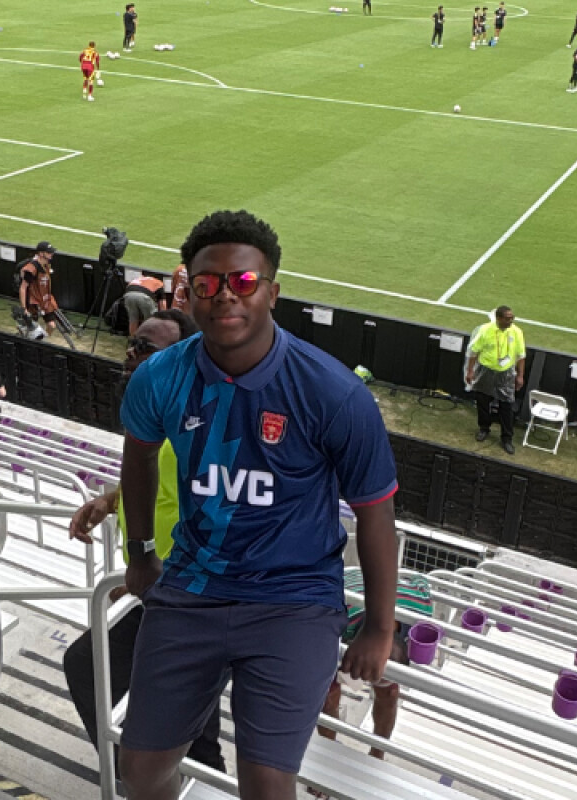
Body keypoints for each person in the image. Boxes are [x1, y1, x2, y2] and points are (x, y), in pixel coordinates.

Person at [117, 210, 398, 800]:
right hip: (192, 586)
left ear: (272, 291)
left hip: (293, 598)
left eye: (243, 282)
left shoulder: (335, 394)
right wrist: (140, 552)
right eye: (207, 283)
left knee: (267, 785)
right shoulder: (159, 378)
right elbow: (138, 456)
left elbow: (375, 513)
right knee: (139, 770)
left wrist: (378, 626)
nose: (225, 295)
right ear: (188, 293)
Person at [63, 310, 227, 774]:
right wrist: (108, 501)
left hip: (185, 594)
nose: (131, 354)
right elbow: (157, 485)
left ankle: (134, 780)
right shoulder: (157, 417)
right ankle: (189, 775)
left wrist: (150, 579)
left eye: (146, 349)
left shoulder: (203, 429)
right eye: (132, 344)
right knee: (196, 709)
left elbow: (216, 518)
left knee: (86, 666)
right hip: (163, 588)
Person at [317, 573, 433, 760]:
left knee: (390, 693)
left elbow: (422, 580)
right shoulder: (337, 618)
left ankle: (377, 752)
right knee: (326, 693)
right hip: (347, 586)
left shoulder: (421, 614)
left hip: (387, 597)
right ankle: (328, 749)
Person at [466, 305, 525, 455]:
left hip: (506, 373)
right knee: (482, 401)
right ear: (498, 318)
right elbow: (474, 351)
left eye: (512, 318)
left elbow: (521, 355)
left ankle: (507, 438)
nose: (511, 321)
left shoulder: (516, 332)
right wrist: (470, 371)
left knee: (506, 405)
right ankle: (484, 428)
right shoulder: (485, 330)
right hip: (485, 370)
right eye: (507, 318)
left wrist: (520, 376)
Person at [18, 241, 59, 336]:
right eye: (49, 252)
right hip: (33, 302)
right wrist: (24, 308)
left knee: (52, 326)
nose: (51, 254)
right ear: (41, 253)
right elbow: (23, 288)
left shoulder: (46, 265)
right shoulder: (32, 268)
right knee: (29, 328)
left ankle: (43, 340)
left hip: (45, 301)